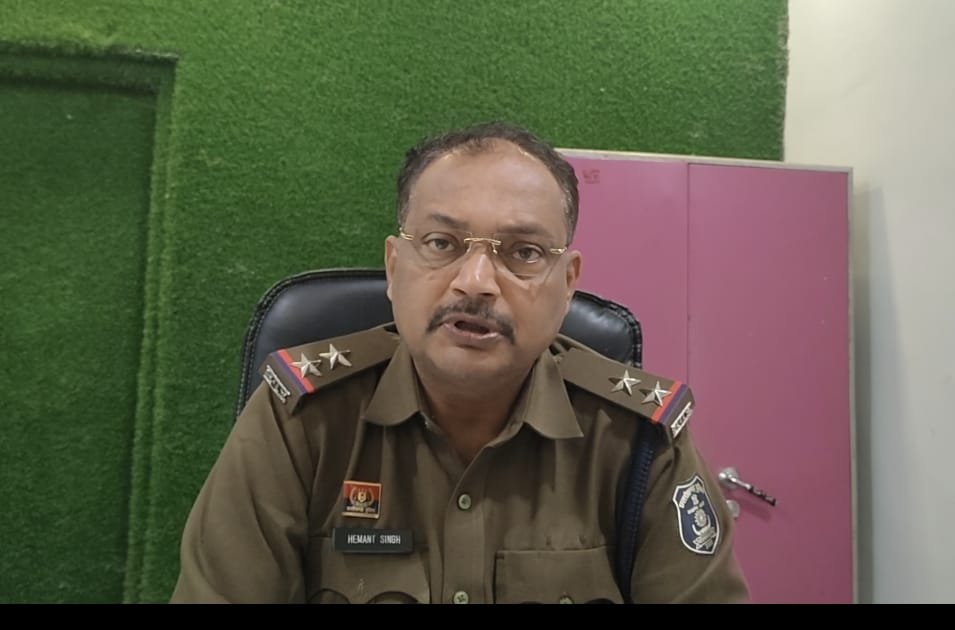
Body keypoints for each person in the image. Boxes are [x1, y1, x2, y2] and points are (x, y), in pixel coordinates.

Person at [170, 122, 749, 603]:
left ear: (567, 284)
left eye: (523, 253)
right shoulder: (298, 420)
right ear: (394, 267)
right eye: (442, 244)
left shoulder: (641, 442)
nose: (475, 282)